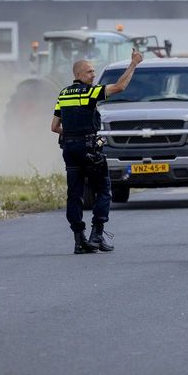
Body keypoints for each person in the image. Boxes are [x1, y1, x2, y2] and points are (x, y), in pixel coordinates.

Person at [51, 50, 143, 253]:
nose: (93, 75)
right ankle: (97, 234)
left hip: (70, 148)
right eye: (89, 72)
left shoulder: (63, 94)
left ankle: (79, 240)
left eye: (93, 71)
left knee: (74, 195)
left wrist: (73, 134)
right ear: (78, 75)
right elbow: (119, 87)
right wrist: (133, 64)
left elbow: (54, 126)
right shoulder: (90, 92)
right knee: (103, 190)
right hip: (90, 147)